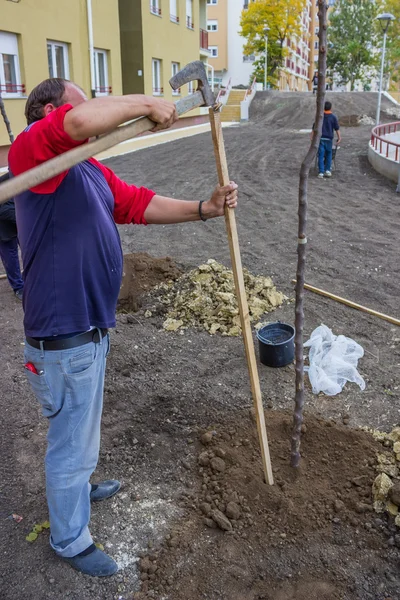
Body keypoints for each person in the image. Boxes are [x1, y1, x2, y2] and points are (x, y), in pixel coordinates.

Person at [8, 78, 238, 578]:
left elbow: (137, 203)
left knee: (79, 428)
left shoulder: (84, 167)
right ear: (50, 109)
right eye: (83, 100)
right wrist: (148, 103)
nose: (94, 109)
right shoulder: (32, 157)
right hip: (63, 333)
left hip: (88, 327)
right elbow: (77, 122)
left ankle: (77, 483)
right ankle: (70, 538)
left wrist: (205, 209)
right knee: (70, 442)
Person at [0, 171, 24, 300]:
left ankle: (29, 279)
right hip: (4, 225)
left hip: (18, 219)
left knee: (28, 250)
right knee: (10, 255)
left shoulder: (20, 174)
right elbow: (3, 210)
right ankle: (18, 287)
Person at [313, 100, 341, 179]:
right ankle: (327, 170)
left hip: (321, 138)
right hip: (329, 139)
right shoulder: (333, 117)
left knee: (321, 155)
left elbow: (314, 127)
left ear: (323, 107)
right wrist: (339, 137)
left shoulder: (320, 116)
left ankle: (321, 172)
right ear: (330, 108)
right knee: (329, 154)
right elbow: (337, 128)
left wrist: (312, 137)